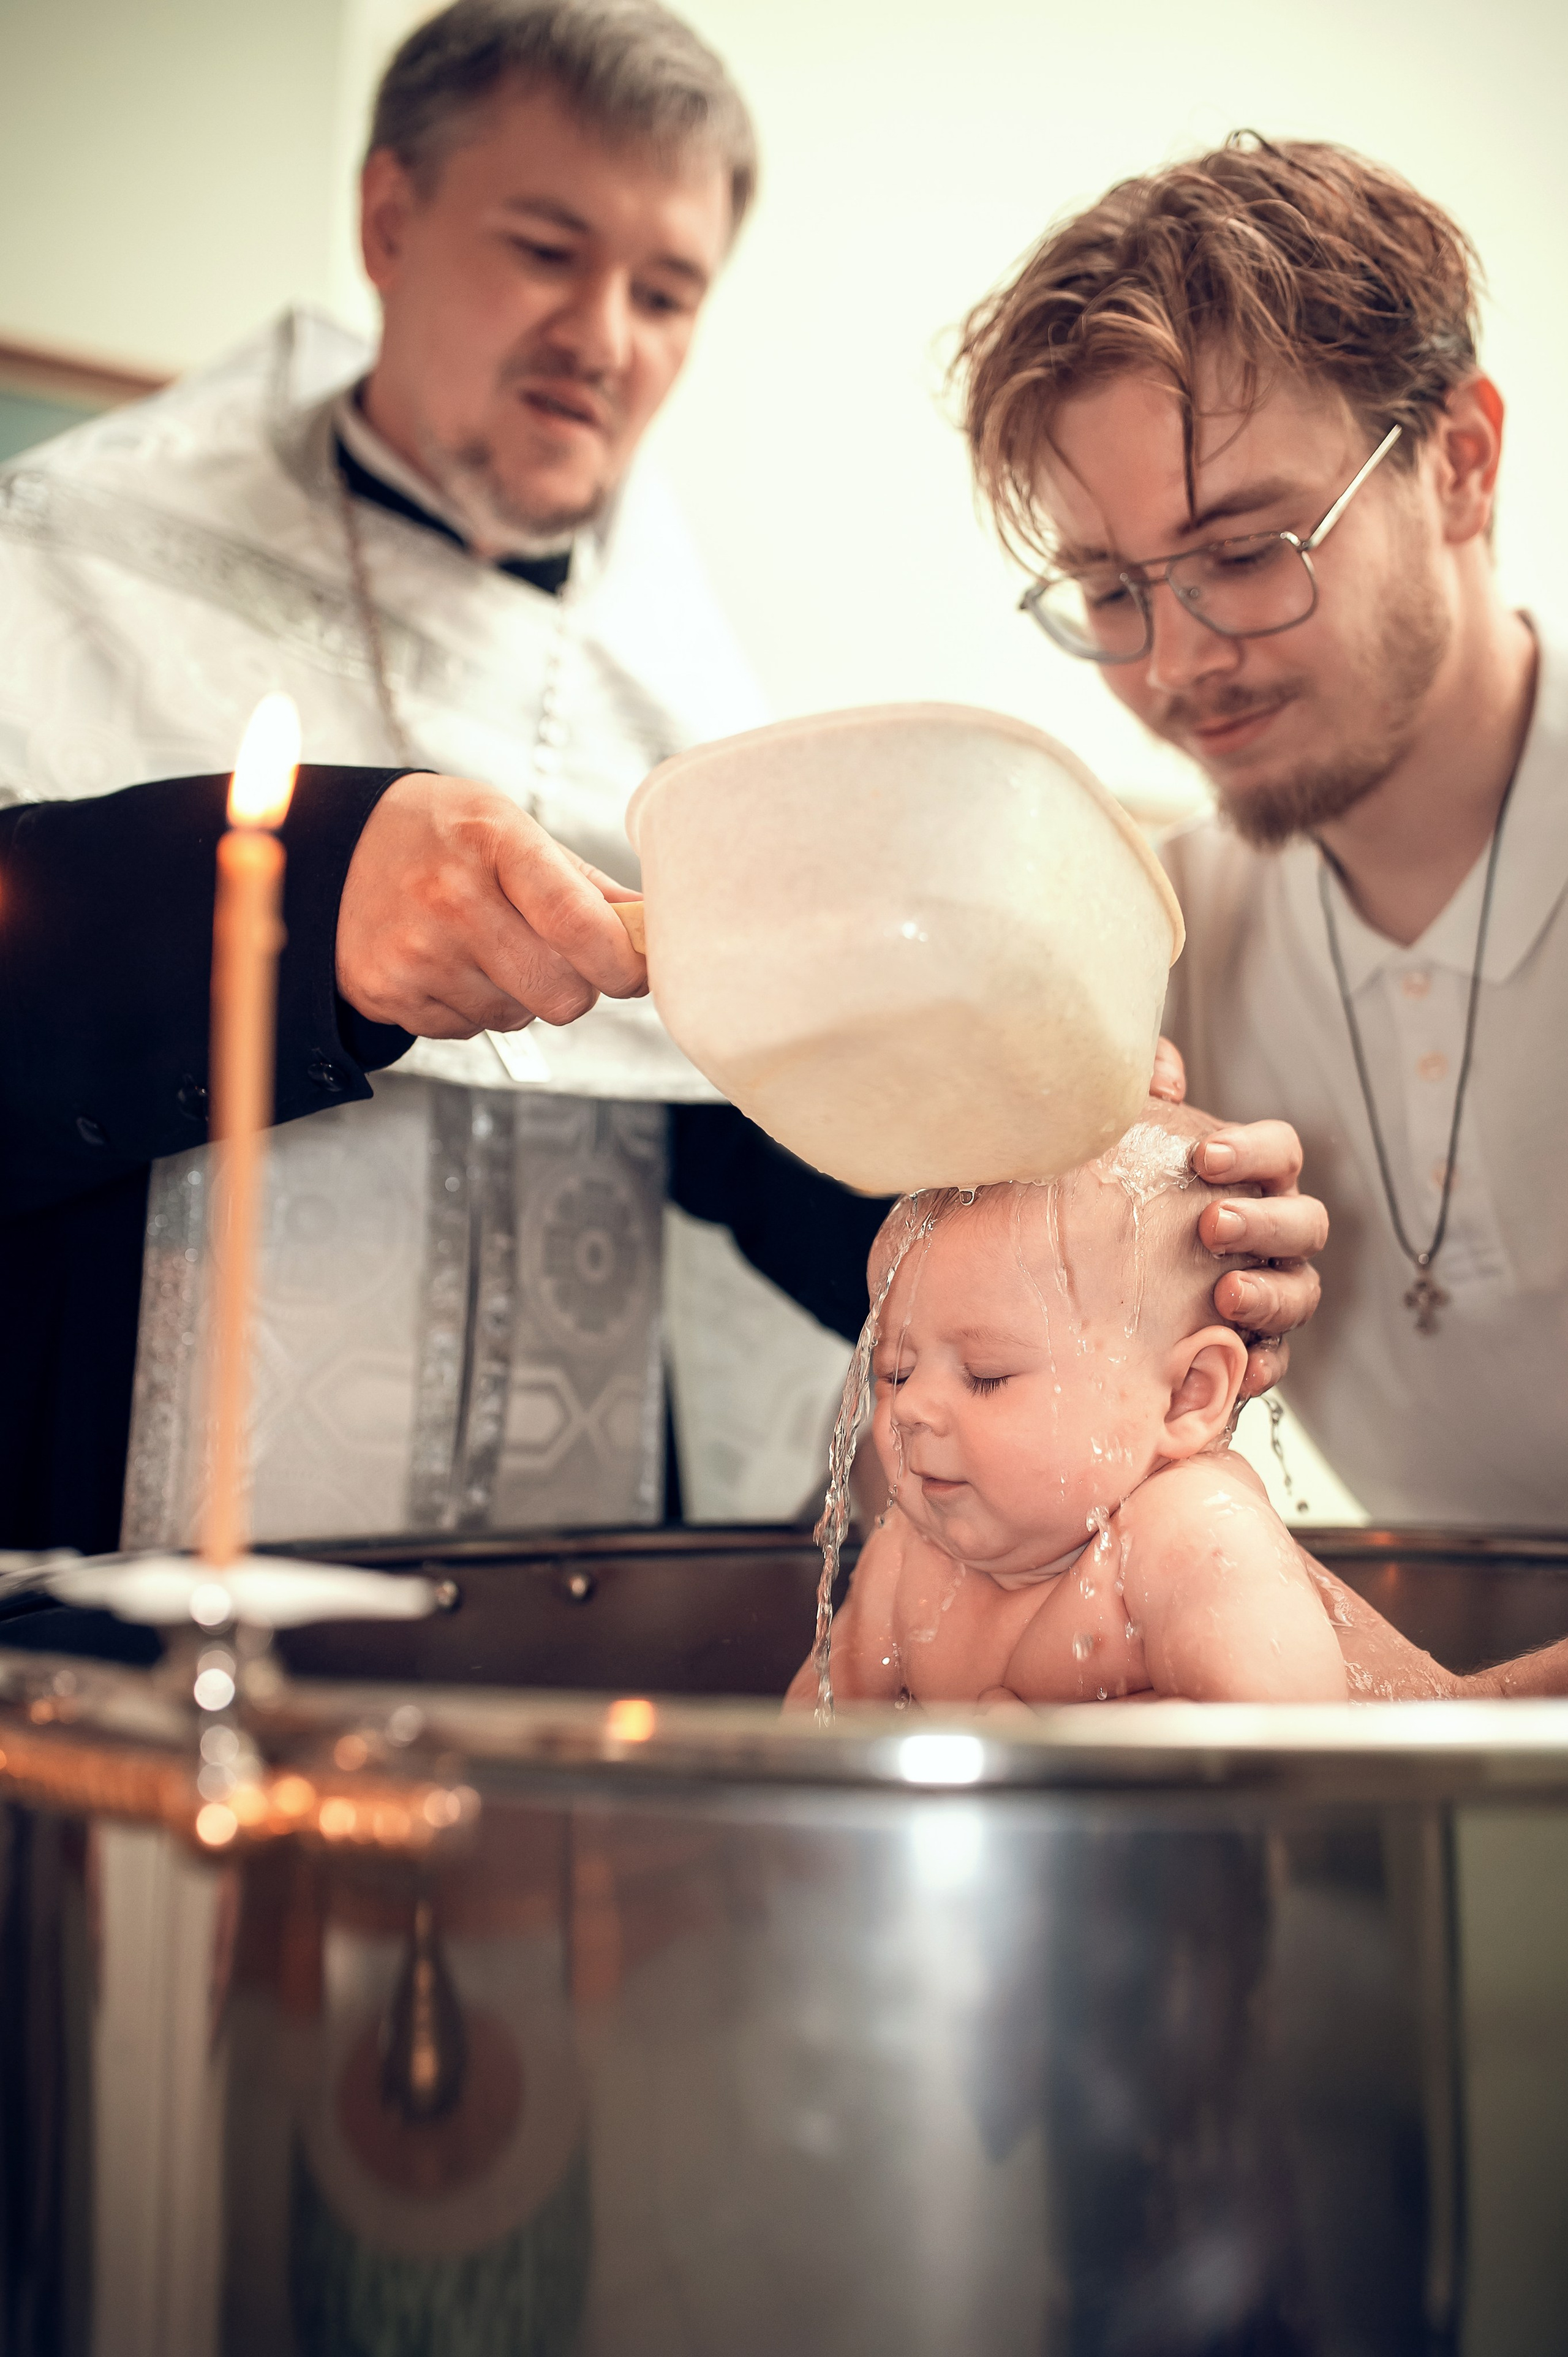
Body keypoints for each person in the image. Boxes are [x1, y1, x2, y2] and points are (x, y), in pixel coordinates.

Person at [0, 9, 1314, 1556]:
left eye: (665, 292)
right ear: (390, 222)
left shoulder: (685, 709)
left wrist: (1107, 1196)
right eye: (545, 252)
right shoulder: (64, 569)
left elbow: (758, 1159)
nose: (604, 336)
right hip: (116, 1576)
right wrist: (312, 888)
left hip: (546, 1597)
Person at [954, 134, 1558, 1528]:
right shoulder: (1146, 949)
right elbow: (919, 1482)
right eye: (1112, 591)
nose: (1175, 664)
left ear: (1460, 465)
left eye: (1242, 553)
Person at [789, 1101, 1348, 1710]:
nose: (911, 1407)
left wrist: (1060, 1750)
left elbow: (1285, 1734)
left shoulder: (1193, 1535)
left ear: (1187, 1393)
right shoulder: (906, 1552)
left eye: (986, 1375)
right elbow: (816, 1722)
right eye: (894, 1373)